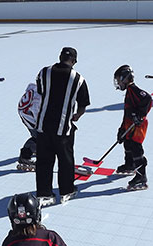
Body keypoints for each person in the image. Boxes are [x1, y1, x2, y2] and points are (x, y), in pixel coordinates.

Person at [35, 47, 90, 206]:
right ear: (73, 61)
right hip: (63, 128)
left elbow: (41, 91)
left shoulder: (44, 72)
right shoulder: (78, 78)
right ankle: (66, 191)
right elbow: (83, 104)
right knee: (65, 161)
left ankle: (44, 193)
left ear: (59, 57)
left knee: (44, 161)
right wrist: (77, 116)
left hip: (43, 126)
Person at [113, 65, 152, 191]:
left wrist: (139, 116)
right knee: (127, 144)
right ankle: (130, 165)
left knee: (136, 149)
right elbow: (127, 112)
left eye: (119, 80)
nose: (118, 83)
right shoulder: (129, 92)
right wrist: (121, 128)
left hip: (138, 126)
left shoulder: (134, 90)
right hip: (129, 124)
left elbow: (147, 99)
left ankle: (141, 176)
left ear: (125, 78)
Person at [16, 82, 41, 171]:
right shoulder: (39, 99)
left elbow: (30, 86)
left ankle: (37, 148)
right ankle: (25, 157)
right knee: (39, 136)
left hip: (24, 111)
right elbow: (37, 115)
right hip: (28, 116)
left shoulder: (36, 88)